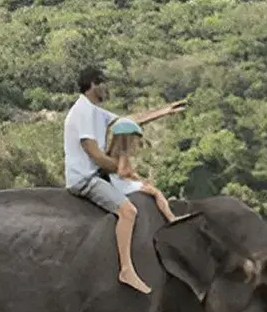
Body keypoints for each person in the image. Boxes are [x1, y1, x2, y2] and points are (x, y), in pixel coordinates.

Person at [63, 66, 186, 295]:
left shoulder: (94, 111)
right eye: (104, 84)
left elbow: (127, 122)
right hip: (86, 179)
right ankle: (126, 269)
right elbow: (95, 154)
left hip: (99, 173)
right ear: (93, 84)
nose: (107, 89)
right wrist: (122, 169)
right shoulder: (83, 113)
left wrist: (163, 111)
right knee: (128, 211)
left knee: (146, 191)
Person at [106, 117, 178, 224]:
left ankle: (165, 205)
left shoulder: (112, 151)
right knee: (156, 192)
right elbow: (122, 172)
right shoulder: (123, 153)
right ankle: (171, 217)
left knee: (147, 185)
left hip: (116, 182)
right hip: (122, 185)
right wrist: (132, 175)